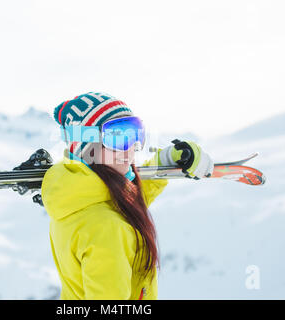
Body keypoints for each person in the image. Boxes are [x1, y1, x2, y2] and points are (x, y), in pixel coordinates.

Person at [41, 92, 213, 300]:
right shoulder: (107, 227)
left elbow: (122, 202)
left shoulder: (72, 196)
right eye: (117, 137)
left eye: (134, 134)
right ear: (88, 146)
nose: (129, 148)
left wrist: (165, 160)